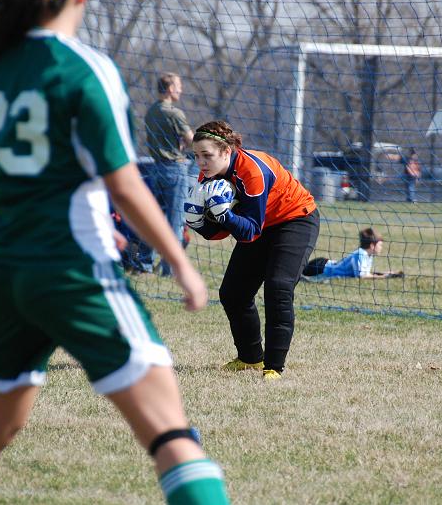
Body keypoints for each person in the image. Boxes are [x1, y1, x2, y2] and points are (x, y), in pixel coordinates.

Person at [0, 0, 229, 504]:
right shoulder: (86, 67)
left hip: (5, 273)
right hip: (70, 270)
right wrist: (180, 261)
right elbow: (125, 183)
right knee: (170, 432)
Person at [185, 120, 319, 381]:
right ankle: (250, 359)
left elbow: (249, 231)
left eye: (207, 156)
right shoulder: (208, 177)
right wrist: (199, 224)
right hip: (259, 225)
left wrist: (223, 216)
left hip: (294, 220)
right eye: (196, 156)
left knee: (278, 286)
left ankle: (273, 366)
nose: (201, 163)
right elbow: (223, 231)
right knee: (233, 293)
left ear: (226, 151)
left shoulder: (252, 171)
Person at [138, 72, 194, 276]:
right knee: (175, 220)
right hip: (175, 169)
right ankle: (169, 269)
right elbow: (191, 141)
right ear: (170, 89)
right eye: (179, 86)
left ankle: (144, 264)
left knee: (153, 218)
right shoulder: (175, 113)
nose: (181, 89)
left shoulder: (151, 111)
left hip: (155, 169)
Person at [302, 228, 403, 280]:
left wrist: (387, 273)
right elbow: (362, 276)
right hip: (319, 267)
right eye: (380, 245)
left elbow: (367, 273)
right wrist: (384, 277)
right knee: (298, 273)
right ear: (372, 245)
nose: (381, 248)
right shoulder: (360, 254)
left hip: (325, 263)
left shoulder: (369, 255)